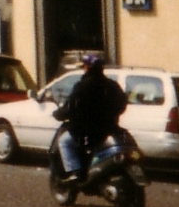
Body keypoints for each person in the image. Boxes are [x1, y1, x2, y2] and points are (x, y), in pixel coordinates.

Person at [53, 54, 127, 185]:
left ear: (87, 67)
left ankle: (75, 171)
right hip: (109, 128)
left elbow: (71, 107)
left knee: (64, 141)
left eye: (84, 66)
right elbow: (122, 104)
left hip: (85, 131)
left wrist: (58, 114)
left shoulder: (82, 86)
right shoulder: (112, 85)